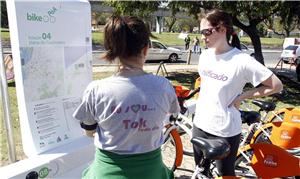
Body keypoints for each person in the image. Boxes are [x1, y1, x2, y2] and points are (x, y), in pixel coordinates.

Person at [73, 16, 180, 179]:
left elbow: (89, 132)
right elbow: (170, 116)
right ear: (145, 49)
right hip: (152, 172)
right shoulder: (164, 86)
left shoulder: (96, 90)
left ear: (112, 50)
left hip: (107, 172)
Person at [193, 9, 283, 177]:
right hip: (199, 124)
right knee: (201, 172)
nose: (203, 37)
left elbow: (276, 85)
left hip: (224, 130)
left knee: (225, 174)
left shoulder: (241, 60)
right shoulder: (204, 55)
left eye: (206, 32)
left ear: (222, 29)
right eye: (201, 33)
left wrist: (243, 96)